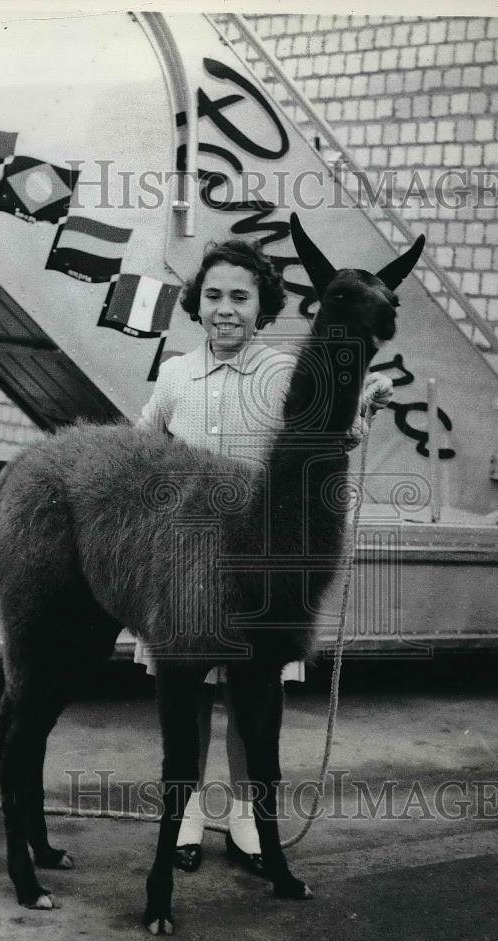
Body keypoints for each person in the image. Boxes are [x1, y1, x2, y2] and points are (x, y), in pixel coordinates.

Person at [134, 238, 393, 874]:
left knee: (252, 700)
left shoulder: (280, 372)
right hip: (189, 568)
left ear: (263, 306)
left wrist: (361, 403)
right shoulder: (174, 374)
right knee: (189, 697)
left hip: (260, 565)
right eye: (214, 296)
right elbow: (140, 447)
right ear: (197, 304)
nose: (226, 310)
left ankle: (249, 815)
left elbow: (323, 423)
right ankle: (188, 808)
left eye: (241, 298)